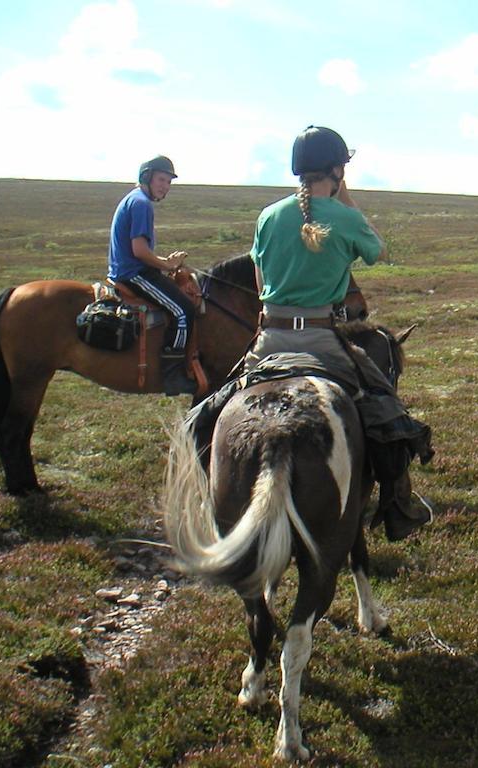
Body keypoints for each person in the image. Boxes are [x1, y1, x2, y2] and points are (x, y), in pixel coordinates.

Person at [186, 126, 434, 540]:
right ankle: (398, 504)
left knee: (207, 416)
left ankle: (208, 500)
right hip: (323, 342)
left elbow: (261, 277)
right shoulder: (347, 218)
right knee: (388, 414)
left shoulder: (269, 216)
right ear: (337, 170)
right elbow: (379, 251)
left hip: (269, 341)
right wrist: (345, 197)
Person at [108, 155, 196, 396]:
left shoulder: (134, 199)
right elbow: (139, 251)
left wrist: (164, 263)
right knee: (184, 311)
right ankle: (172, 375)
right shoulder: (141, 204)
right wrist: (167, 265)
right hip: (132, 274)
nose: (164, 186)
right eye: (161, 179)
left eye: (168, 182)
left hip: (130, 269)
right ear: (147, 178)